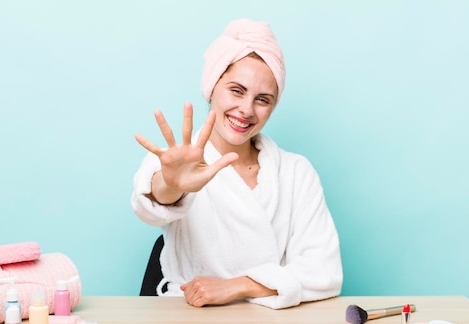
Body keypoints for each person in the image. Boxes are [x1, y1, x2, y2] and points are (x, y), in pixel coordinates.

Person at [131, 18, 342, 309]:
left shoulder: (296, 172)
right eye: (237, 90)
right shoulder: (178, 157)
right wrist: (171, 184)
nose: (246, 109)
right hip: (187, 316)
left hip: (273, 322)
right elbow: (150, 206)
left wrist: (238, 286)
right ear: (212, 87)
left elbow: (324, 272)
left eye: (263, 99)